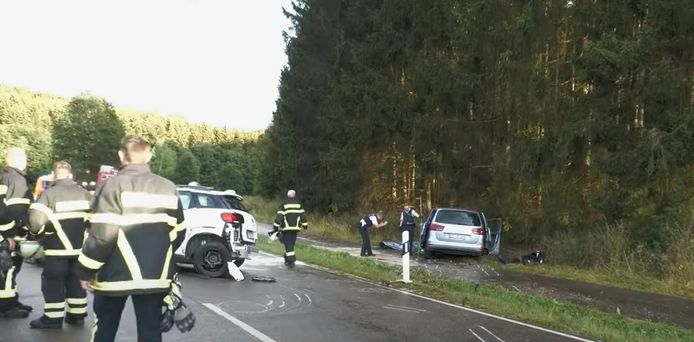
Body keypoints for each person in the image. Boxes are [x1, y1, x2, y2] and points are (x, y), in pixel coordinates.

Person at [77, 135, 185, 342]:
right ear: (149, 155)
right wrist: (159, 258)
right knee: (151, 332)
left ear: (121, 155)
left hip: (112, 277)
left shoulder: (111, 186)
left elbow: (101, 236)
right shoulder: (168, 187)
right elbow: (178, 232)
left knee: (105, 330)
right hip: (155, 277)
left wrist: (86, 271)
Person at [27, 161, 91, 329]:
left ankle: (53, 319)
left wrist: (39, 235)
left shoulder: (49, 194)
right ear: (70, 174)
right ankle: (76, 316)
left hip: (56, 250)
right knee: (76, 282)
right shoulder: (85, 194)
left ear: (54, 175)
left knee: (53, 283)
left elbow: (35, 221)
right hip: (80, 252)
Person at [0, 147, 33, 318]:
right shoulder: (15, 179)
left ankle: (12, 300)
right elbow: (10, 210)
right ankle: (6, 306)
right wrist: (9, 235)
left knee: (12, 269)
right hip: (9, 234)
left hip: (10, 232)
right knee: (8, 269)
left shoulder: (8, 177)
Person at [272, 190, 308, 268]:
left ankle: (291, 261)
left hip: (286, 228)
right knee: (290, 243)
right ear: (294, 195)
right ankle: (287, 258)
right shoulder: (299, 204)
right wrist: (305, 227)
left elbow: (279, 217)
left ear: (287, 195)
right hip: (295, 228)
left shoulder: (284, 204)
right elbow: (303, 216)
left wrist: (275, 227)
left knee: (289, 244)